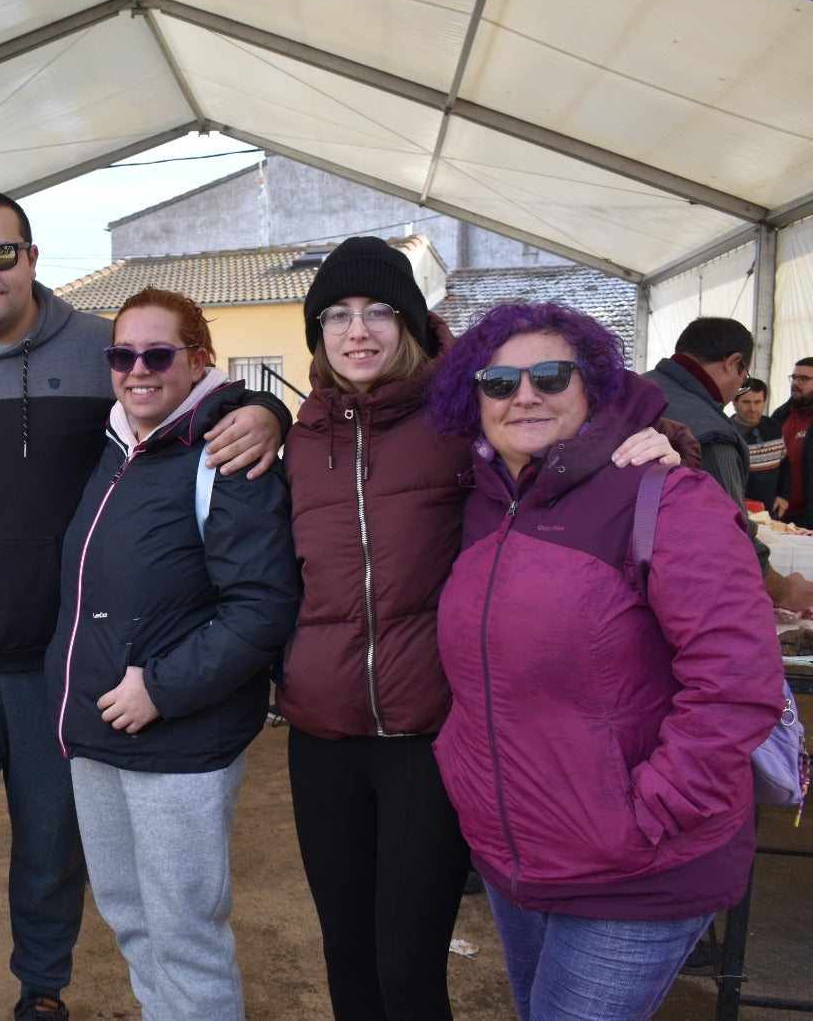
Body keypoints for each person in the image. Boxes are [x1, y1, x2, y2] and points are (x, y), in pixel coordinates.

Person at [0, 191, 287, 1021]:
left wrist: (270, 412)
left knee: (54, 850)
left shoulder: (104, 350)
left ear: (33, 256)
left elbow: (203, 397)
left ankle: (42, 993)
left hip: (62, 665)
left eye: (1, 254)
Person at [279, 236, 679, 1021]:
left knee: (407, 964)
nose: (357, 331)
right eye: (336, 316)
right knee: (347, 958)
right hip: (320, 734)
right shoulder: (298, 435)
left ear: (415, 326)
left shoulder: (462, 418)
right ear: (317, 334)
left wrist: (671, 442)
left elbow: (579, 430)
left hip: (432, 733)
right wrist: (251, 409)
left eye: (378, 312)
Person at [427, 301, 785, 1020]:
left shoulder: (667, 496)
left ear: (593, 383)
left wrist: (648, 813)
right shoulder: (487, 502)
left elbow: (739, 683)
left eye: (551, 376)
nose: (524, 394)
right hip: (517, 855)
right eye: (499, 382)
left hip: (635, 870)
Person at [46, 288, 302, 1020]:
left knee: (185, 937)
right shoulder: (114, 450)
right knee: (131, 921)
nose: (138, 371)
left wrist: (159, 688)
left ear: (198, 362)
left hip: (177, 740)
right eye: (122, 355)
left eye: (158, 355)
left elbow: (262, 607)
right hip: (98, 733)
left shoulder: (222, 452)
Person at [642, 320, 813, 610]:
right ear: (733, 362)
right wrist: (786, 592)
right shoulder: (710, 432)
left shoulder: (640, 386)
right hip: (675, 592)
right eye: (743, 379)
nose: (738, 392)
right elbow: (733, 539)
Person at [730, 377, 790, 514]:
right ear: (734, 402)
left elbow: (785, 462)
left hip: (771, 511)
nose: (753, 408)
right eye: (746, 402)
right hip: (740, 512)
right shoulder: (726, 433)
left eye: (757, 402)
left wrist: (783, 495)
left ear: (764, 402)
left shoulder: (774, 426)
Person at [772, 357, 813, 527]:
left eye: (803, 379)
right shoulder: (781, 415)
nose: (795, 383)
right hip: (779, 515)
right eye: (794, 377)